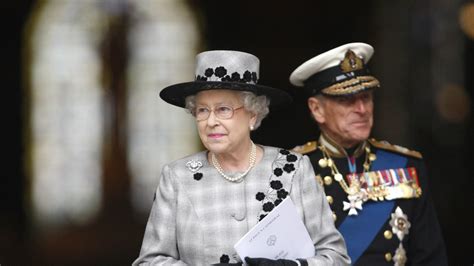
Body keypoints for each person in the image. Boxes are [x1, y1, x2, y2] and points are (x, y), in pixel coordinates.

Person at [132, 50, 350, 266]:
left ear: (252, 115)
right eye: (202, 111)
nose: (211, 121)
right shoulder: (177, 177)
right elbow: (150, 261)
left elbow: (336, 257)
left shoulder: (294, 169)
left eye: (223, 109)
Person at [289, 43, 448, 265]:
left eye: (366, 97)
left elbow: (430, 258)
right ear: (317, 109)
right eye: (346, 100)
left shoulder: (405, 165)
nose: (362, 110)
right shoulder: (291, 170)